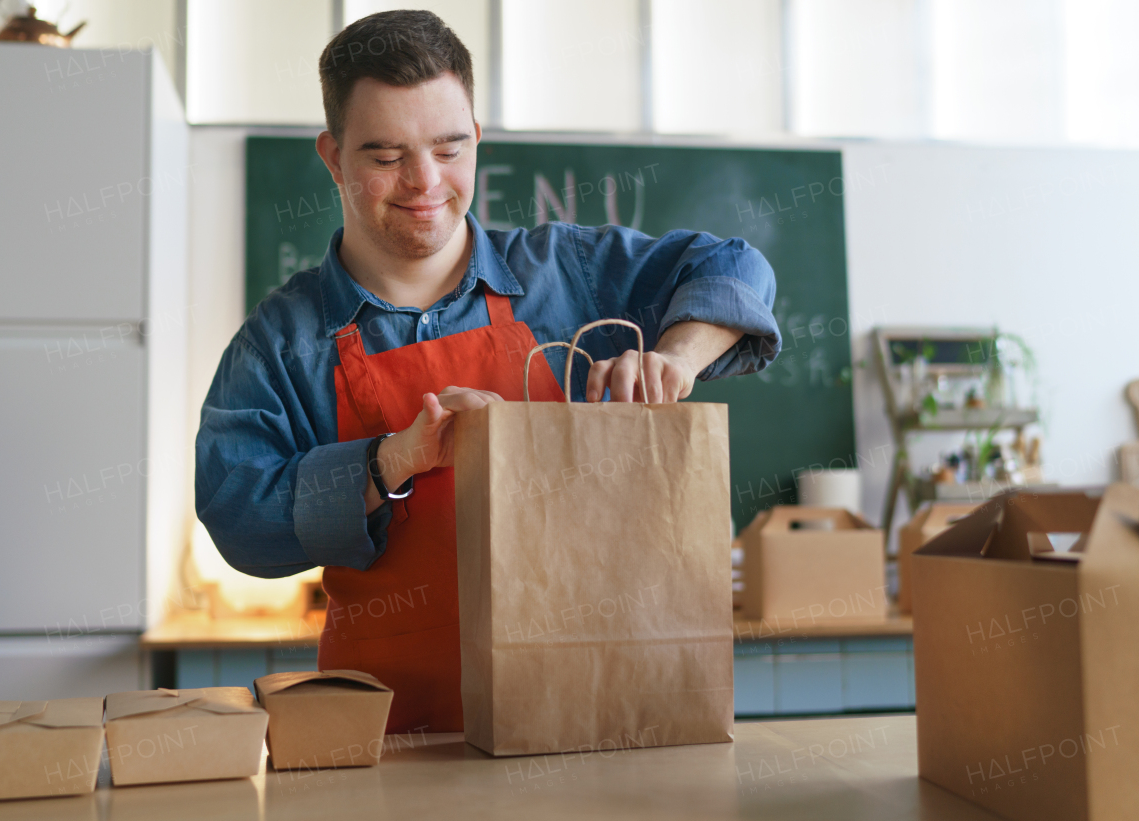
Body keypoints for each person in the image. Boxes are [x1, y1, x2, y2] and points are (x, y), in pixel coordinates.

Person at [196, 10, 781, 734]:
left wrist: (675, 359)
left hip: (584, 712)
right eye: (385, 156)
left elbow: (735, 266)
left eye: (449, 148)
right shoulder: (281, 341)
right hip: (393, 737)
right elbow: (235, 515)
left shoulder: (570, 272)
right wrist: (388, 463)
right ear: (332, 155)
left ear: (478, 138)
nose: (425, 182)